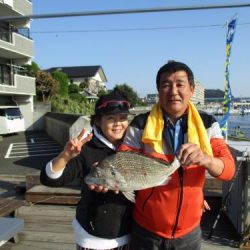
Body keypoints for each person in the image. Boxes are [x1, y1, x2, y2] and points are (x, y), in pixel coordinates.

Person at [118, 61, 235, 250]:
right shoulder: (140, 124)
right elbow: (121, 163)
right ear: (158, 90)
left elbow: (228, 170)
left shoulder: (208, 124)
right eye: (166, 85)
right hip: (146, 229)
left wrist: (205, 158)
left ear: (191, 89)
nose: (173, 91)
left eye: (180, 84)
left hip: (189, 233)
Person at [40, 91, 133, 250]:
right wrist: (66, 156)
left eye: (122, 118)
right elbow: (49, 179)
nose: (118, 124)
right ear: (97, 120)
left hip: (130, 233)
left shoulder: (134, 146)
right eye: (111, 118)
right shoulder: (86, 149)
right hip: (93, 239)